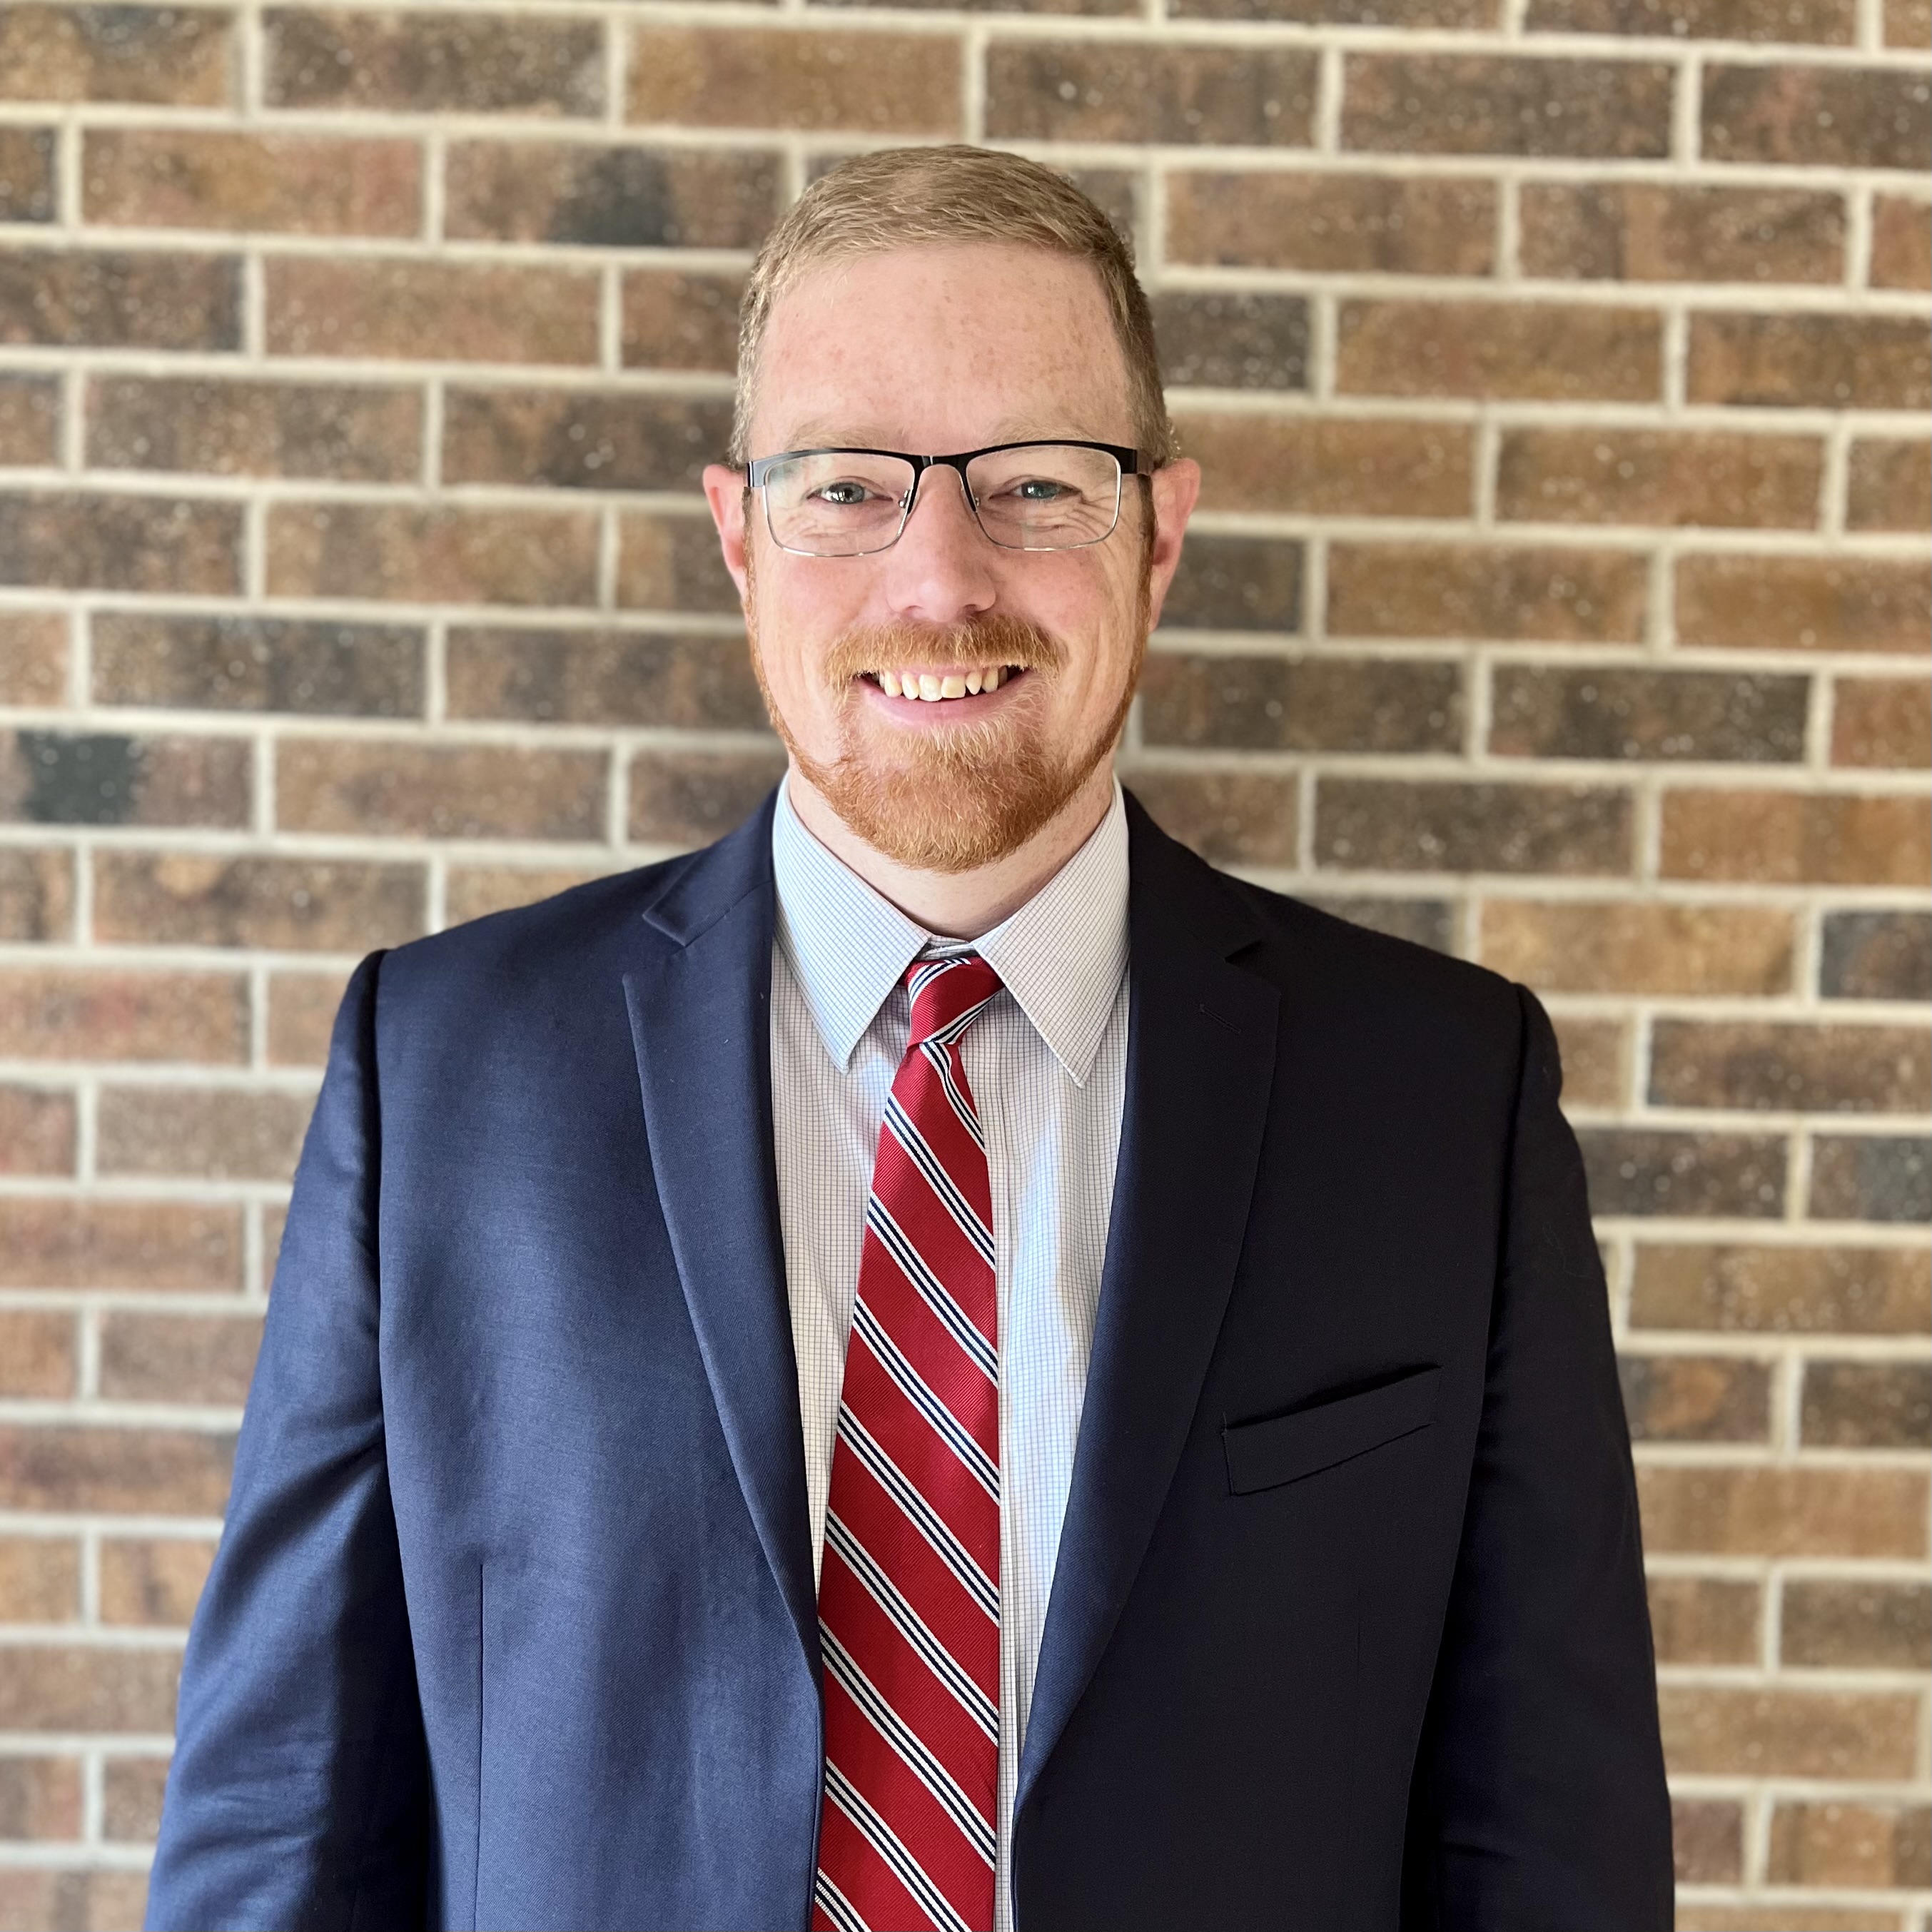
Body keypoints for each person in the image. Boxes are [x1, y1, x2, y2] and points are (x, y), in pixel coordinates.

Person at [146, 146, 1673, 1932]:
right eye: (849, 488)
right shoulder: (443, 1075)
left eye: (1035, 483)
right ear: (740, 535)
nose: (940, 580)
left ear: (1160, 531)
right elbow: (280, 1820)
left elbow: (1550, 1849)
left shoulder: (1439, 1100)